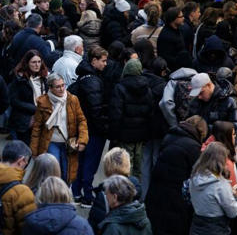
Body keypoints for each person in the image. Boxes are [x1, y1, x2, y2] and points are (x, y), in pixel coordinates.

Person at [145, 115, 209, 235]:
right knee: (178, 230)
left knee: (169, 228)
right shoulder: (193, 147)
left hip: (161, 187)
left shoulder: (171, 136)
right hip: (176, 192)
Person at [30, 73, 88, 184]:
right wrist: (34, 150)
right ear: (50, 88)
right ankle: (54, 195)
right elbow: (37, 127)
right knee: (53, 172)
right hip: (51, 142)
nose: (61, 89)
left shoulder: (73, 100)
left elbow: (82, 121)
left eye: (63, 85)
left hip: (68, 143)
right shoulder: (43, 102)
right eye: (57, 86)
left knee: (67, 173)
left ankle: (64, 196)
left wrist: (82, 140)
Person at [70, 46, 108, 204]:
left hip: (82, 128)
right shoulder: (93, 81)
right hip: (92, 129)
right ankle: (87, 195)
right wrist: (104, 128)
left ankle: (77, 192)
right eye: (103, 61)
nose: (106, 64)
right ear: (94, 61)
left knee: (81, 161)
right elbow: (96, 109)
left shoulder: (83, 78)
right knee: (90, 163)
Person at [109, 58, 156, 179]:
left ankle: (126, 190)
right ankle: (137, 191)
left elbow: (116, 114)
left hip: (125, 134)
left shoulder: (120, 87)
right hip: (141, 134)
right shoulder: (147, 88)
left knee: (126, 165)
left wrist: (114, 136)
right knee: (139, 165)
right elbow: (151, 112)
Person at [8, 50, 48, 145]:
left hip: (42, 119)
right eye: (34, 62)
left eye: (39, 62)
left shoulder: (44, 78)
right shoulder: (19, 79)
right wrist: (35, 108)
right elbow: (14, 100)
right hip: (24, 121)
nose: (37, 65)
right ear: (27, 63)